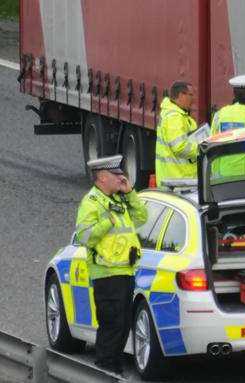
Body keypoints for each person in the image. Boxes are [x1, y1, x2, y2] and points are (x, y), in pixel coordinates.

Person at [75, 155, 147, 374]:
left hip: (125, 270)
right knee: (111, 324)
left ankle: (114, 370)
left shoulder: (119, 199)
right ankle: (105, 370)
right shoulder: (91, 202)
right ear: (103, 177)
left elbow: (142, 218)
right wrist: (108, 221)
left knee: (123, 324)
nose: (121, 178)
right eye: (117, 175)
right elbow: (84, 237)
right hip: (106, 273)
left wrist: (130, 193)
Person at [155, 81, 200, 186]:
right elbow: (180, 147)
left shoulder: (174, 114)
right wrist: (202, 148)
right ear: (181, 95)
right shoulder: (174, 117)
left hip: (175, 178)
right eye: (191, 95)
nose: (193, 99)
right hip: (178, 180)